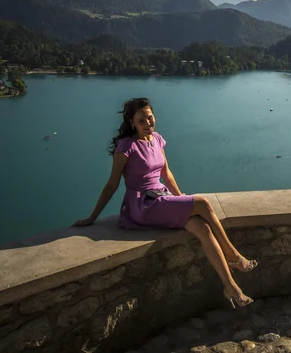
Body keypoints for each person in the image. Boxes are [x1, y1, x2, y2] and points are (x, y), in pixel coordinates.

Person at [73, 97, 257, 308]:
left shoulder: (157, 139)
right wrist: (92, 217)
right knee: (204, 204)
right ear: (132, 123)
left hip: (162, 197)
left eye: (150, 118)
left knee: (203, 228)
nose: (147, 123)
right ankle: (233, 255)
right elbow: (112, 184)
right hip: (142, 205)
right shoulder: (126, 146)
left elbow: (166, 174)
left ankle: (231, 289)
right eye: (141, 120)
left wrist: (179, 198)